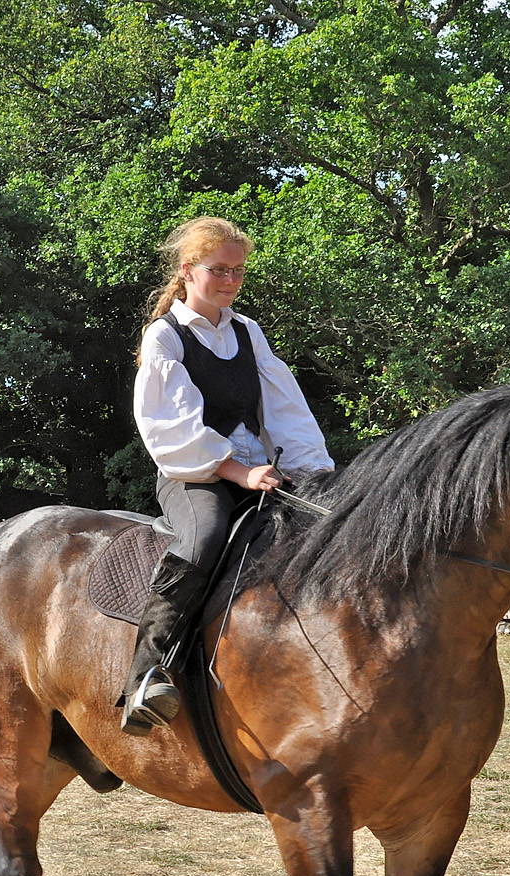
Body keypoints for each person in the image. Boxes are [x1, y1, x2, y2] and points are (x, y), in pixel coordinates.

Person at [121, 217, 334, 734]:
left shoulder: (247, 331)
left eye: (238, 271)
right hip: (193, 475)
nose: (230, 281)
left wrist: (315, 476)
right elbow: (171, 428)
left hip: (260, 470)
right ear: (187, 270)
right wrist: (238, 472)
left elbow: (285, 410)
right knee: (205, 538)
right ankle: (145, 678)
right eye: (219, 270)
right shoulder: (165, 336)